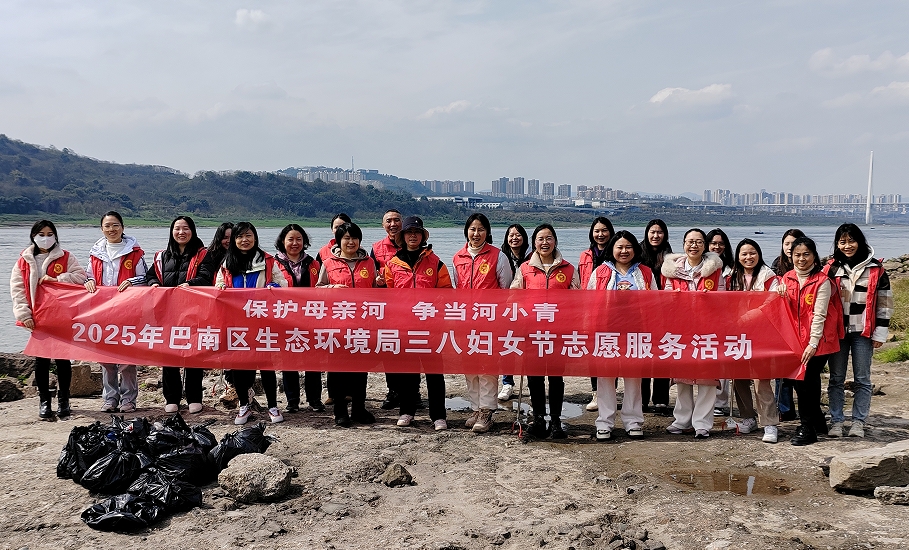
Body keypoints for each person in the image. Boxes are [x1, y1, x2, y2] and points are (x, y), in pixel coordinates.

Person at [10, 220, 88, 419]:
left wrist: (59, 279)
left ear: (55, 236)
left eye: (50, 234)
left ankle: (64, 400)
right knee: (41, 360)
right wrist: (24, 314)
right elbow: (17, 290)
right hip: (38, 317)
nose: (46, 238)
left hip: (62, 317)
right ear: (33, 236)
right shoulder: (24, 261)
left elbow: (81, 277)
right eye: (41, 234)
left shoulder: (66, 257)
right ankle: (44, 401)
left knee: (63, 360)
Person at [383, 216, 453, 430]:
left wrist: (436, 315)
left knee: (435, 373)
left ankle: (438, 415)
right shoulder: (392, 264)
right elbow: (388, 295)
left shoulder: (436, 263)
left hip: (430, 328)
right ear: (402, 236)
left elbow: (446, 293)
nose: (413, 235)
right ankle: (407, 411)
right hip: (404, 327)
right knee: (407, 372)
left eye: (417, 232)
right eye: (409, 232)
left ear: (423, 236)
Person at [216, 221, 289, 425]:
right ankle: (244, 406)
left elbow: (283, 284)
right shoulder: (227, 263)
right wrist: (221, 288)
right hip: (236, 322)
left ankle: (273, 406)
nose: (244, 240)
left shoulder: (268, 261)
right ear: (234, 240)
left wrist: (275, 287)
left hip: (262, 321)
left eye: (248, 235)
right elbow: (219, 284)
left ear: (255, 237)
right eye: (239, 236)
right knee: (239, 366)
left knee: (266, 365)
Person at [511, 223, 580, 439]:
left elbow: (578, 300)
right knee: (535, 377)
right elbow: (514, 297)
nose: (545, 242)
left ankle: (556, 420)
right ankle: (539, 418)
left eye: (549, 238)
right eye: (540, 238)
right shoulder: (525, 269)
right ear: (534, 243)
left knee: (556, 377)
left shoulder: (568, 269)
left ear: (555, 241)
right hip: (533, 332)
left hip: (559, 332)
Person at [824, 223, 892, 438]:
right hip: (838, 332)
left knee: (862, 378)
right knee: (836, 378)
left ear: (860, 242)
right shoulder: (831, 268)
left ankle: (858, 423)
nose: (847, 246)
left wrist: (880, 333)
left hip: (863, 332)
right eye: (842, 242)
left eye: (851, 241)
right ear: (837, 244)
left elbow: (884, 304)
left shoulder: (876, 269)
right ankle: (836, 421)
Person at [587, 231, 656, 441]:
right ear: (612, 249)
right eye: (619, 247)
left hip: (636, 332)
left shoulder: (645, 272)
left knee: (634, 378)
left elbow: (656, 301)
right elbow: (588, 302)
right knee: (605, 378)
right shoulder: (600, 272)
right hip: (606, 332)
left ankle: (633, 421)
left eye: (628, 247)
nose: (624, 251)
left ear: (635, 249)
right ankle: (604, 422)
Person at [778, 237, 843, 446]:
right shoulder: (787, 278)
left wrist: (813, 343)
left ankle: (807, 428)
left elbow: (819, 314)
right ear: (791, 257)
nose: (801, 259)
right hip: (796, 341)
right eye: (797, 255)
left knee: (805, 380)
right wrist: (779, 293)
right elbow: (781, 310)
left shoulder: (822, 281)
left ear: (814, 255)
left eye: (806, 254)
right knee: (803, 382)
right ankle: (817, 421)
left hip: (819, 340)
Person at [451, 213, 513, 433]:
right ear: (466, 231)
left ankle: (487, 411)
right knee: (469, 366)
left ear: (487, 232)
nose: (476, 234)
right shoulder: (458, 257)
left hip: (490, 321)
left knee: (487, 366)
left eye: (481, 229)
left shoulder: (498, 256)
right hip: (466, 321)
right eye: (472, 229)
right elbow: (457, 287)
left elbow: (506, 290)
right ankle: (476, 408)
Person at [661, 228, 724, 438]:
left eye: (698, 242)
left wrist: (710, 300)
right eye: (690, 241)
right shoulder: (672, 270)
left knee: (707, 378)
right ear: (683, 244)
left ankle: (702, 424)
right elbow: (665, 299)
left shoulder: (714, 269)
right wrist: (674, 298)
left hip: (707, 330)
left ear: (705, 246)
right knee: (682, 378)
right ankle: (682, 420)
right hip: (681, 330)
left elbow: (723, 298)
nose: (694, 245)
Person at [85, 211, 147, 413]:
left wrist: (131, 281)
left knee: (127, 357)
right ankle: (110, 398)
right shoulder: (95, 253)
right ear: (102, 229)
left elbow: (145, 278)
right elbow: (87, 276)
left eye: (115, 225)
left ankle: (128, 399)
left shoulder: (135, 253)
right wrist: (89, 281)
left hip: (128, 311)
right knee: (105, 357)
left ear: (122, 227)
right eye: (107, 226)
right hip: (102, 311)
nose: (111, 229)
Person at [316, 221, 377, 427]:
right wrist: (331, 288)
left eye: (354, 238)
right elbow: (318, 289)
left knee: (361, 369)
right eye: (346, 238)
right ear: (338, 241)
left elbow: (376, 292)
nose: (351, 242)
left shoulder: (369, 262)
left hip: (363, 324)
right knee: (337, 369)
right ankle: (340, 411)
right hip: (336, 324)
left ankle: (359, 409)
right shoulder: (328, 262)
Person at [147, 216, 208, 414]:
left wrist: (190, 284)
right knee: (169, 354)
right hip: (167, 312)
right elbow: (151, 276)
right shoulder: (162, 256)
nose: (181, 232)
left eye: (186, 228)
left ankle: (194, 397)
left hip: (194, 311)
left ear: (193, 231)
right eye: (177, 228)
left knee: (194, 354)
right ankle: (172, 398)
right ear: (172, 232)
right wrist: (153, 284)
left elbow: (207, 276)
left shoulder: (203, 254)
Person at [727, 239, 781, 443]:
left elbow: (772, 302)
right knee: (738, 376)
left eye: (752, 253)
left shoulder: (769, 277)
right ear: (737, 257)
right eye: (744, 254)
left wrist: (750, 316)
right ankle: (748, 418)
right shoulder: (731, 277)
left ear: (759, 254)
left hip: (761, 333)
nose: (748, 257)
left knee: (761, 379)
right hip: (737, 333)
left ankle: (769, 423)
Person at [274, 223, 324, 413]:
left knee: (314, 360)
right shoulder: (273, 263)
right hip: (285, 318)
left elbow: (321, 289)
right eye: (291, 239)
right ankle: (292, 400)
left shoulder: (313, 263)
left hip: (311, 317)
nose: (295, 243)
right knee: (289, 360)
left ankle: (314, 399)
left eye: (299, 239)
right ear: (282, 241)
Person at [187, 222, 235, 403]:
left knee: (235, 346)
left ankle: (235, 387)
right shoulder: (210, 255)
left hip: (236, 310)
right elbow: (205, 277)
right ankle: (229, 385)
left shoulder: (243, 256)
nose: (228, 241)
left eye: (232, 237)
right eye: (225, 237)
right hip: (212, 308)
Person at [579, 217, 615, 412]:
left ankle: (610, 392)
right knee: (594, 352)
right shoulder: (585, 255)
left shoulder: (617, 251)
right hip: (590, 309)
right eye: (597, 231)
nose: (600, 234)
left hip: (612, 310)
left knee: (610, 349)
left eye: (604, 230)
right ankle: (596, 392)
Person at [770, 229, 805, 421]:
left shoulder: (810, 266)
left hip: (803, 325)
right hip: (782, 325)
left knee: (803, 369)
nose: (790, 247)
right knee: (781, 371)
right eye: (787, 244)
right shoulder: (777, 265)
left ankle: (807, 408)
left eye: (795, 243)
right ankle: (784, 408)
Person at [371, 209, 403, 410]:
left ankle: (413, 392)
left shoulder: (411, 242)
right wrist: (377, 281)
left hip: (409, 306)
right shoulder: (376, 248)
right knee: (389, 348)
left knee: (410, 348)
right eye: (389, 221)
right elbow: (370, 275)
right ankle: (393, 391)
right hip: (386, 307)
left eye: (397, 220)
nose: (393, 224)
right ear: (383, 225)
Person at [640, 219, 672, 414]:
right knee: (643, 351)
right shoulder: (637, 254)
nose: (656, 235)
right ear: (647, 233)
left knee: (662, 352)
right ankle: (642, 398)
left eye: (660, 232)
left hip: (664, 311)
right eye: (652, 232)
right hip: (642, 311)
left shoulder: (671, 257)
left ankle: (660, 398)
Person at [498, 223, 529, 401]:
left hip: (528, 309)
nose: (514, 238)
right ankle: (507, 383)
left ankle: (531, 381)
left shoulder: (532, 257)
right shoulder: (501, 257)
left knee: (530, 345)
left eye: (518, 234)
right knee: (507, 344)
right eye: (511, 235)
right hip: (506, 309)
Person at [706, 228, 734, 417]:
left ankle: (720, 402)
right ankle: (707, 401)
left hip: (729, 320)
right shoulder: (704, 266)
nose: (717, 247)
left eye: (721, 243)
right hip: (708, 320)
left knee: (724, 361)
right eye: (713, 243)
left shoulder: (732, 267)